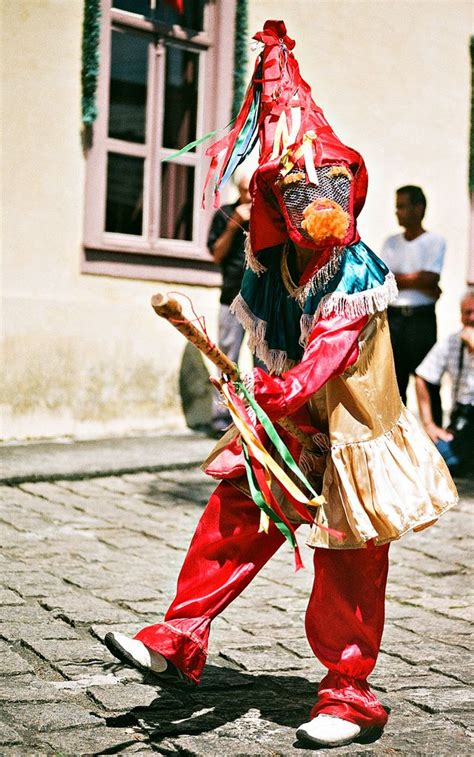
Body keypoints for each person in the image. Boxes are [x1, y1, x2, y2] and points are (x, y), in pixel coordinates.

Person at [104, 20, 457, 749]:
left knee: (350, 564)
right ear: (274, 197)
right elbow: (269, 341)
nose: (315, 200)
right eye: (298, 188)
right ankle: (177, 636)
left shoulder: (353, 267)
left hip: (357, 434)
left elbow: (329, 349)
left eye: (328, 183)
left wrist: (279, 391)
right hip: (295, 421)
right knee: (235, 511)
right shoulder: (272, 264)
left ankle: (349, 695)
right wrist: (255, 387)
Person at [380, 185, 445, 425]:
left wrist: (401, 279)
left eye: (403, 206)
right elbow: (383, 279)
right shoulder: (391, 242)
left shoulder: (434, 241)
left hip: (421, 319)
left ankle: (436, 433)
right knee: (396, 382)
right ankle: (398, 433)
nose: (397, 212)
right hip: (394, 317)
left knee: (427, 376)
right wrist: (418, 281)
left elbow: (431, 278)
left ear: (419, 208)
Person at [207, 171, 252, 435]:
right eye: (245, 191)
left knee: (265, 362)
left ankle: (263, 415)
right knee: (226, 360)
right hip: (231, 296)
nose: (250, 197)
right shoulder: (225, 213)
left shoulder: (267, 215)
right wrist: (233, 223)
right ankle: (222, 418)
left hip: (260, 302)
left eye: (253, 191)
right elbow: (216, 254)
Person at [415, 290, 474, 475]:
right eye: (467, 312)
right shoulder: (453, 341)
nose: (472, 318)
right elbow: (422, 375)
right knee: (431, 458)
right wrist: (429, 424)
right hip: (463, 424)